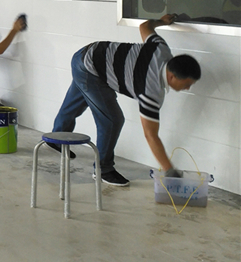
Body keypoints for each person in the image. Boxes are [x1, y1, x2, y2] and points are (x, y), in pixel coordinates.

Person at [50, 14, 201, 186]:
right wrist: (169, 170)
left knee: (78, 98)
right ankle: (103, 170)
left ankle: (56, 137)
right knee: (112, 120)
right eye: (187, 84)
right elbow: (150, 135)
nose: (188, 88)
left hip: (87, 54)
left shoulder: (161, 49)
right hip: (91, 68)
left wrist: (161, 21)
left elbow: (145, 26)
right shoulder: (150, 90)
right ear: (172, 76)